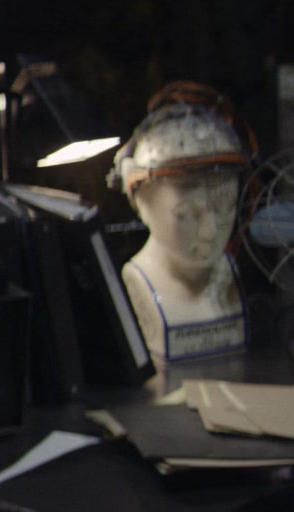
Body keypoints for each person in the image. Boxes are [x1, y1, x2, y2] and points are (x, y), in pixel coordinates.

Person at [108, 82, 251, 363]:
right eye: (187, 214)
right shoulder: (137, 280)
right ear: (143, 203)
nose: (210, 232)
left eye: (226, 208)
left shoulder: (228, 273)